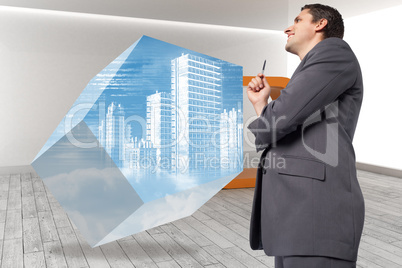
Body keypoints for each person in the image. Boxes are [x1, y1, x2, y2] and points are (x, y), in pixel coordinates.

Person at [247, 4, 364, 268]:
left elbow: (281, 118)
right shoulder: (314, 67)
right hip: (296, 218)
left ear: (320, 24)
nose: (288, 27)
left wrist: (268, 115)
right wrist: (261, 104)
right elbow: (284, 120)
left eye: (298, 20)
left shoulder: (334, 52)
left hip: (315, 215)